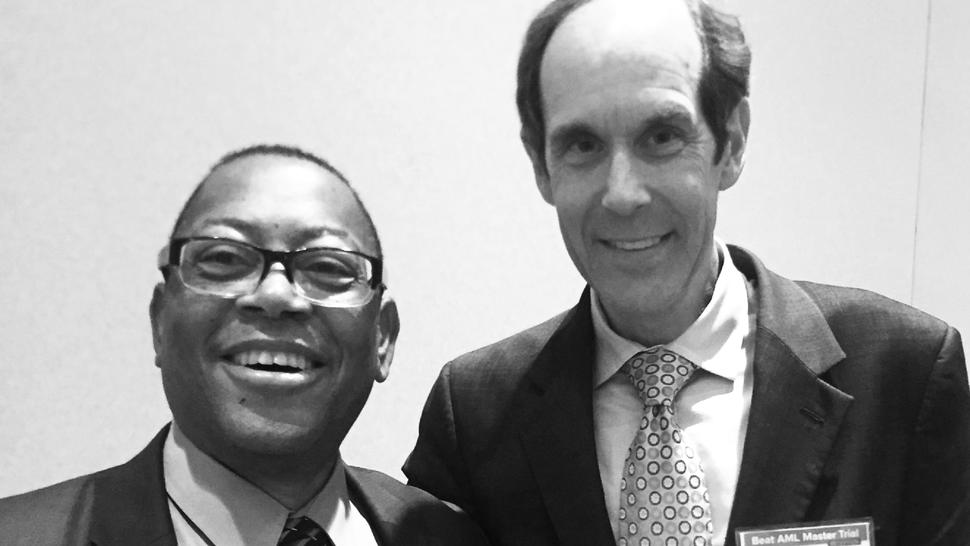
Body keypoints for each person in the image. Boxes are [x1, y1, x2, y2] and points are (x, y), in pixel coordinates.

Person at [403, 1, 970, 545]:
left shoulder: (902, 376)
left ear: (733, 142)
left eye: (662, 136)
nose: (622, 194)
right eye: (583, 144)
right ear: (541, 167)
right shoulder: (474, 418)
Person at [0, 144, 489, 546]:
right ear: (159, 323)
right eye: (224, 259)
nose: (275, 296)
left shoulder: (456, 538)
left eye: (327, 267)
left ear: (383, 338)